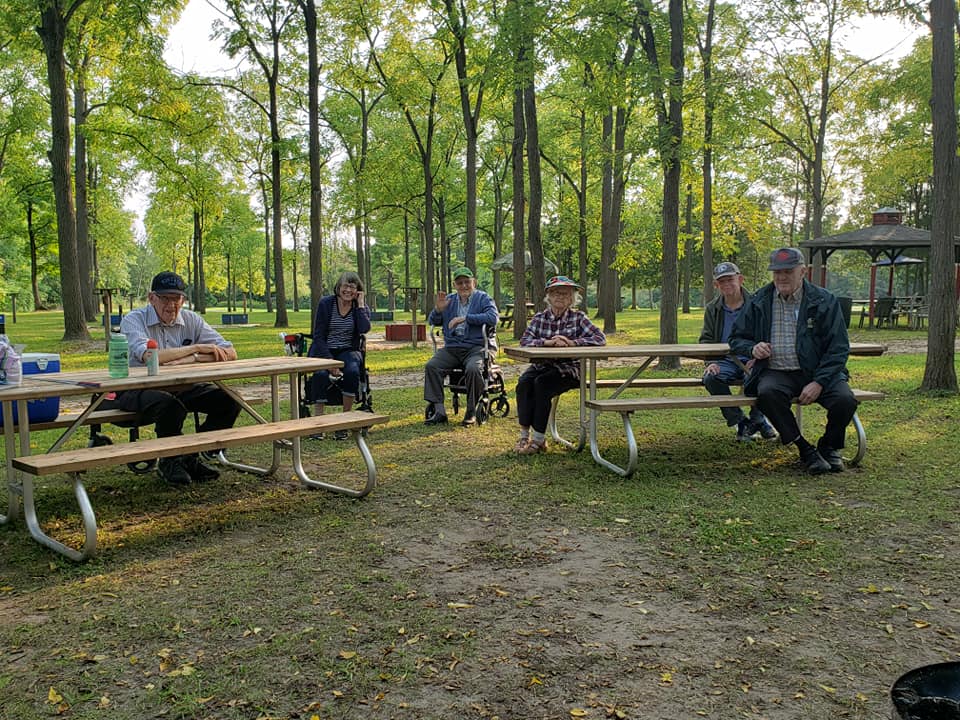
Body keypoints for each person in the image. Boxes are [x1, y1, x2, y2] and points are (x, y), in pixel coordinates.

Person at [729, 247, 858, 474]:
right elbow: (736, 338)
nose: (781, 277)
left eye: (788, 271)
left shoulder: (824, 300)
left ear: (803, 272)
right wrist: (752, 348)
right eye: (777, 272)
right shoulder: (760, 300)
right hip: (778, 371)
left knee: (845, 400)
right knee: (767, 394)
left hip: (818, 371)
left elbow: (838, 348)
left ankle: (829, 447)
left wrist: (819, 381)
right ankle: (805, 449)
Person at [117, 271, 241, 486]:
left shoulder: (192, 319)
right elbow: (150, 357)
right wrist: (197, 347)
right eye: (165, 298)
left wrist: (192, 358)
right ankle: (170, 460)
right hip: (136, 388)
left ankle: (191, 455)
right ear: (151, 298)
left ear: (183, 300)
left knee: (230, 399)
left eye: (177, 299)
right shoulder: (134, 320)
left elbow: (230, 351)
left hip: (182, 387)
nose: (171, 305)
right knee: (169, 405)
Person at [515, 276, 605, 455]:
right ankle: (524, 435)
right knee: (524, 383)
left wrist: (572, 343)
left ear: (572, 298)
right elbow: (524, 341)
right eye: (556, 293)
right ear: (548, 296)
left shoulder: (578, 318)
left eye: (565, 293)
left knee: (542, 384)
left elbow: (600, 339)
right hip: (542, 366)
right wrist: (547, 343)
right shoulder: (540, 318)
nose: (560, 297)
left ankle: (539, 440)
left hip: (569, 370)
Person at [699, 261, 777, 442]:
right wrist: (711, 362)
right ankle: (742, 422)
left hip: (752, 358)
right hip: (725, 360)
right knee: (710, 378)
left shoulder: (758, 304)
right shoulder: (712, 308)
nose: (727, 285)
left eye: (730, 280)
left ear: (740, 279)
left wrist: (758, 357)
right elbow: (706, 339)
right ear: (716, 285)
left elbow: (768, 333)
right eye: (722, 281)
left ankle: (758, 419)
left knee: (764, 377)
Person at [423, 266, 499, 427]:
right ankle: (439, 411)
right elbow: (432, 321)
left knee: (473, 368)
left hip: (477, 347)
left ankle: (471, 410)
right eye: (460, 283)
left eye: (467, 282)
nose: (464, 286)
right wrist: (438, 310)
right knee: (432, 366)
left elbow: (493, 317)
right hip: (453, 347)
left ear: (474, 282)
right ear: (454, 285)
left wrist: (465, 318)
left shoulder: (483, 298)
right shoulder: (449, 300)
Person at [306, 271, 371, 440]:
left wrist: (361, 304)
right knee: (320, 374)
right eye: (345, 286)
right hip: (324, 348)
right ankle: (318, 424)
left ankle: (344, 421)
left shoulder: (359, 307)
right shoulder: (326, 304)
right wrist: (329, 361)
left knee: (352, 371)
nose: (348, 290)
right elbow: (318, 336)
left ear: (358, 290)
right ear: (338, 287)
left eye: (352, 286)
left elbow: (364, 329)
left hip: (348, 349)